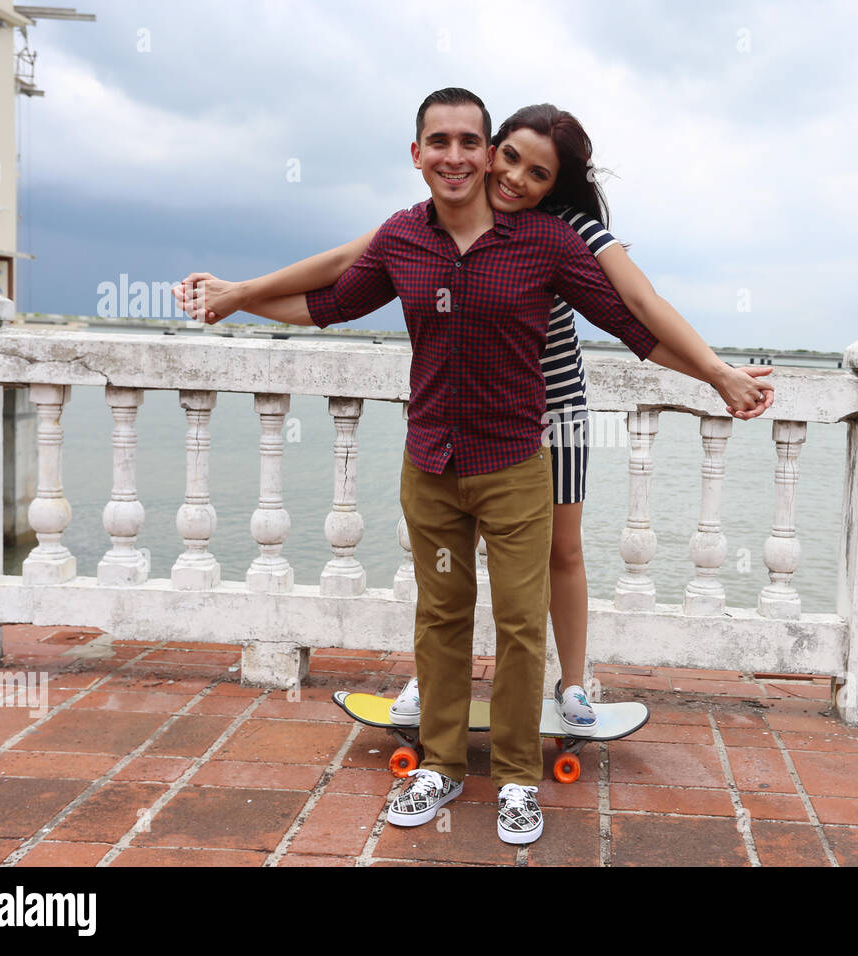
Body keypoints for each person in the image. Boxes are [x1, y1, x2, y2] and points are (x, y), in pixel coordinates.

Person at [174, 89, 772, 846]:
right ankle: (442, 765)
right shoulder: (403, 236)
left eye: (471, 143)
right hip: (429, 463)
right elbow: (329, 302)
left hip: (517, 464)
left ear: (483, 151)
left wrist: (716, 376)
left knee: (522, 626)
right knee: (441, 618)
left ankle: (518, 779)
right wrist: (242, 302)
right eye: (439, 142)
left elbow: (633, 322)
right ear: (418, 153)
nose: (458, 157)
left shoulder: (550, 243)